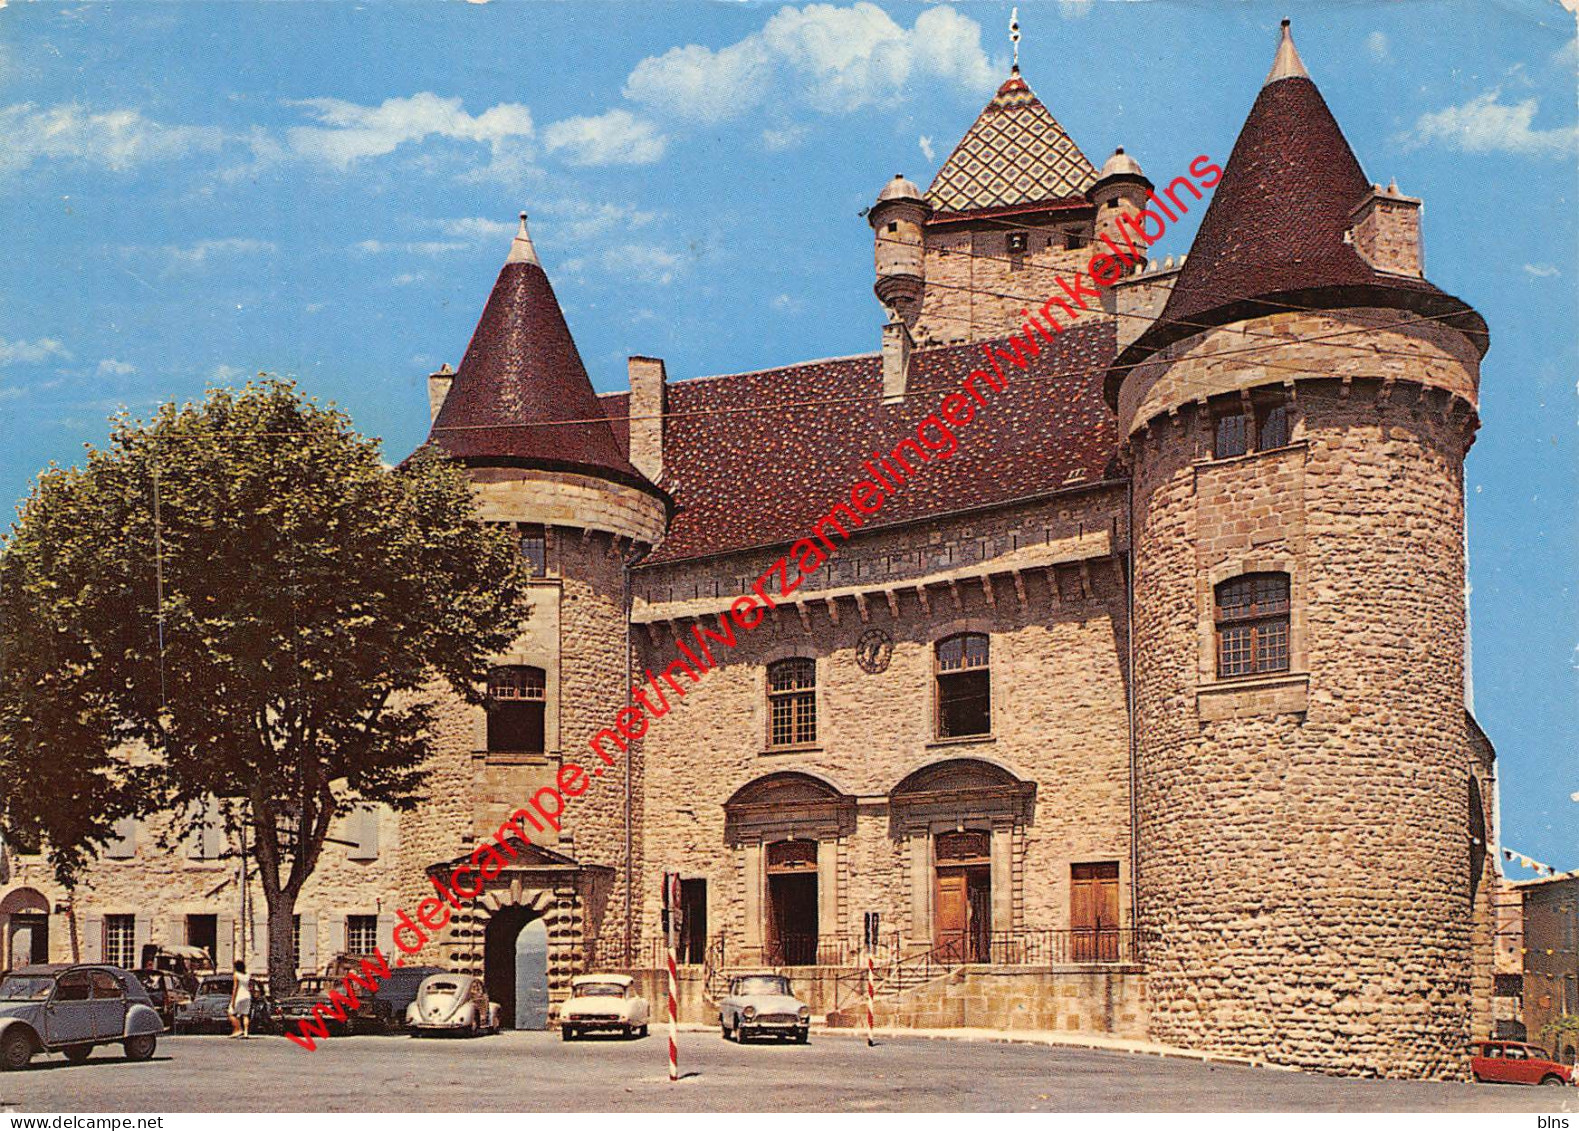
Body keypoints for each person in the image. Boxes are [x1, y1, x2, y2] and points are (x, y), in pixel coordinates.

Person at [228, 960, 252, 1039]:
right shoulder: (248, 975)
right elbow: (250, 986)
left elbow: (235, 988)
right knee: (245, 1015)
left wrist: (233, 1000)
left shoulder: (236, 975)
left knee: (231, 1013)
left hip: (239, 995)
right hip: (247, 995)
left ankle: (238, 1029)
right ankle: (246, 1032)